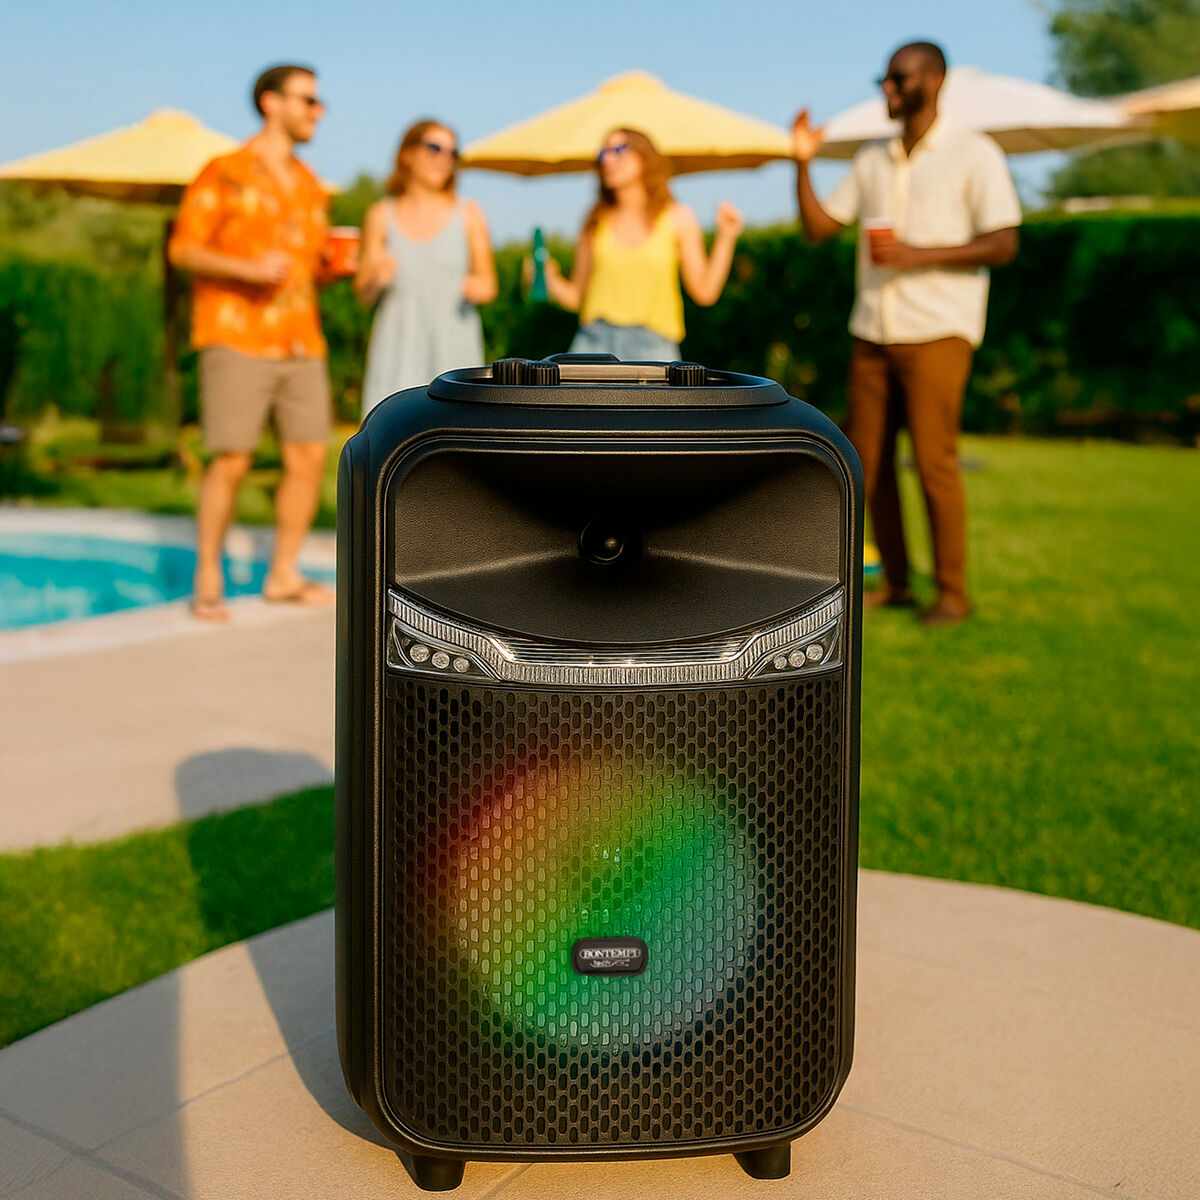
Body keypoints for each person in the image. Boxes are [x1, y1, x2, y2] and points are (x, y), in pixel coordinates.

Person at [793, 42, 1021, 626]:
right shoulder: (872, 158)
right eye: (885, 79)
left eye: (899, 78)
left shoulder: (974, 153)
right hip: (872, 330)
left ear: (935, 79)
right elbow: (819, 228)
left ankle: (952, 593)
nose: (888, 89)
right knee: (862, 461)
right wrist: (802, 164)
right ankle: (895, 584)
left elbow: (1003, 242)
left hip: (938, 329)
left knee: (932, 459)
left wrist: (918, 254)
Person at [169, 63, 334, 621]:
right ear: (270, 102)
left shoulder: (310, 184)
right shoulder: (225, 172)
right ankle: (207, 576)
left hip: (301, 340)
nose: (318, 111)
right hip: (235, 334)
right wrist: (247, 268)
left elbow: (306, 265)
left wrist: (334, 267)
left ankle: (283, 574)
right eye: (308, 100)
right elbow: (183, 250)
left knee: (309, 456)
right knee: (232, 458)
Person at [540, 128, 744, 360]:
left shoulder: (677, 217)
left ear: (645, 157)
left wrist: (726, 236)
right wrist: (549, 279)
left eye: (619, 150)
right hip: (593, 344)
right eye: (603, 153)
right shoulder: (594, 222)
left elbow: (705, 292)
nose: (607, 160)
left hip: (653, 349)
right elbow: (576, 296)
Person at [356, 120, 496, 415]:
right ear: (407, 154)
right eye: (435, 148)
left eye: (452, 153)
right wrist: (376, 279)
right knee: (389, 431)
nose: (445, 159)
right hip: (397, 349)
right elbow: (363, 294)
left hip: (453, 350)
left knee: (457, 430)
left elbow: (489, 286)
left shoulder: (469, 214)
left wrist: (477, 288)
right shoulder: (380, 215)